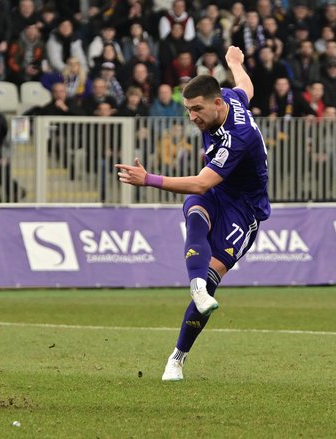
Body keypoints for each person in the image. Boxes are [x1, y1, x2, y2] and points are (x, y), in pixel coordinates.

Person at [115, 46, 270, 381]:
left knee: (211, 259)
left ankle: (178, 356)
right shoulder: (228, 98)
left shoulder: (236, 137)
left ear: (216, 104)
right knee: (195, 215)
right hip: (218, 192)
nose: (192, 117)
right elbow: (246, 87)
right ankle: (197, 288)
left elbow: (201, 183)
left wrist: (149, 179)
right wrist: (235, 63)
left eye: (197, 109)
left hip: (244, 210)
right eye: (188, 110)